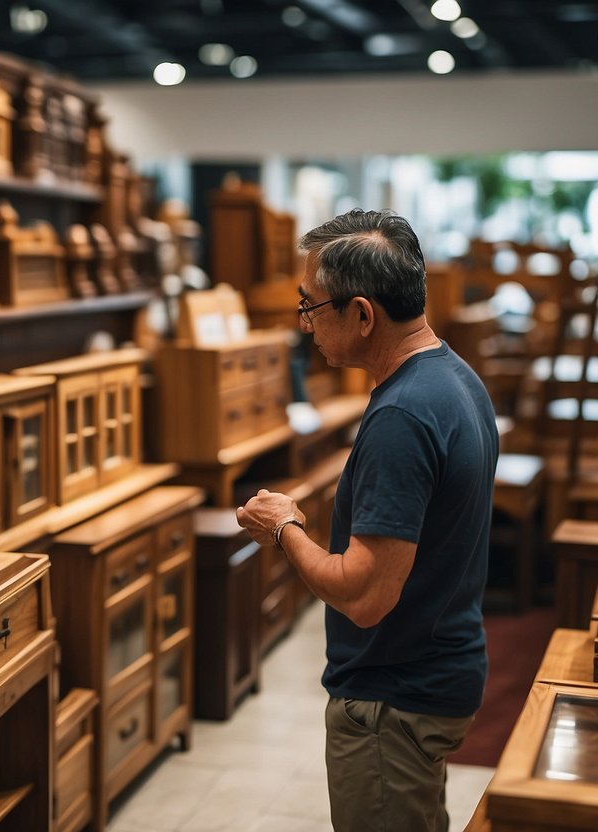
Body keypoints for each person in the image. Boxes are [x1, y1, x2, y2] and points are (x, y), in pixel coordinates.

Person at [235, 208, 498, 832]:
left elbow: (364, 595)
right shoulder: (455, 377)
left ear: (361, 313)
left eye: (311, 305)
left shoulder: (402, 418)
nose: (303, 323)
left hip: (393, 701)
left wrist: (284, 527)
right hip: (437, 668)